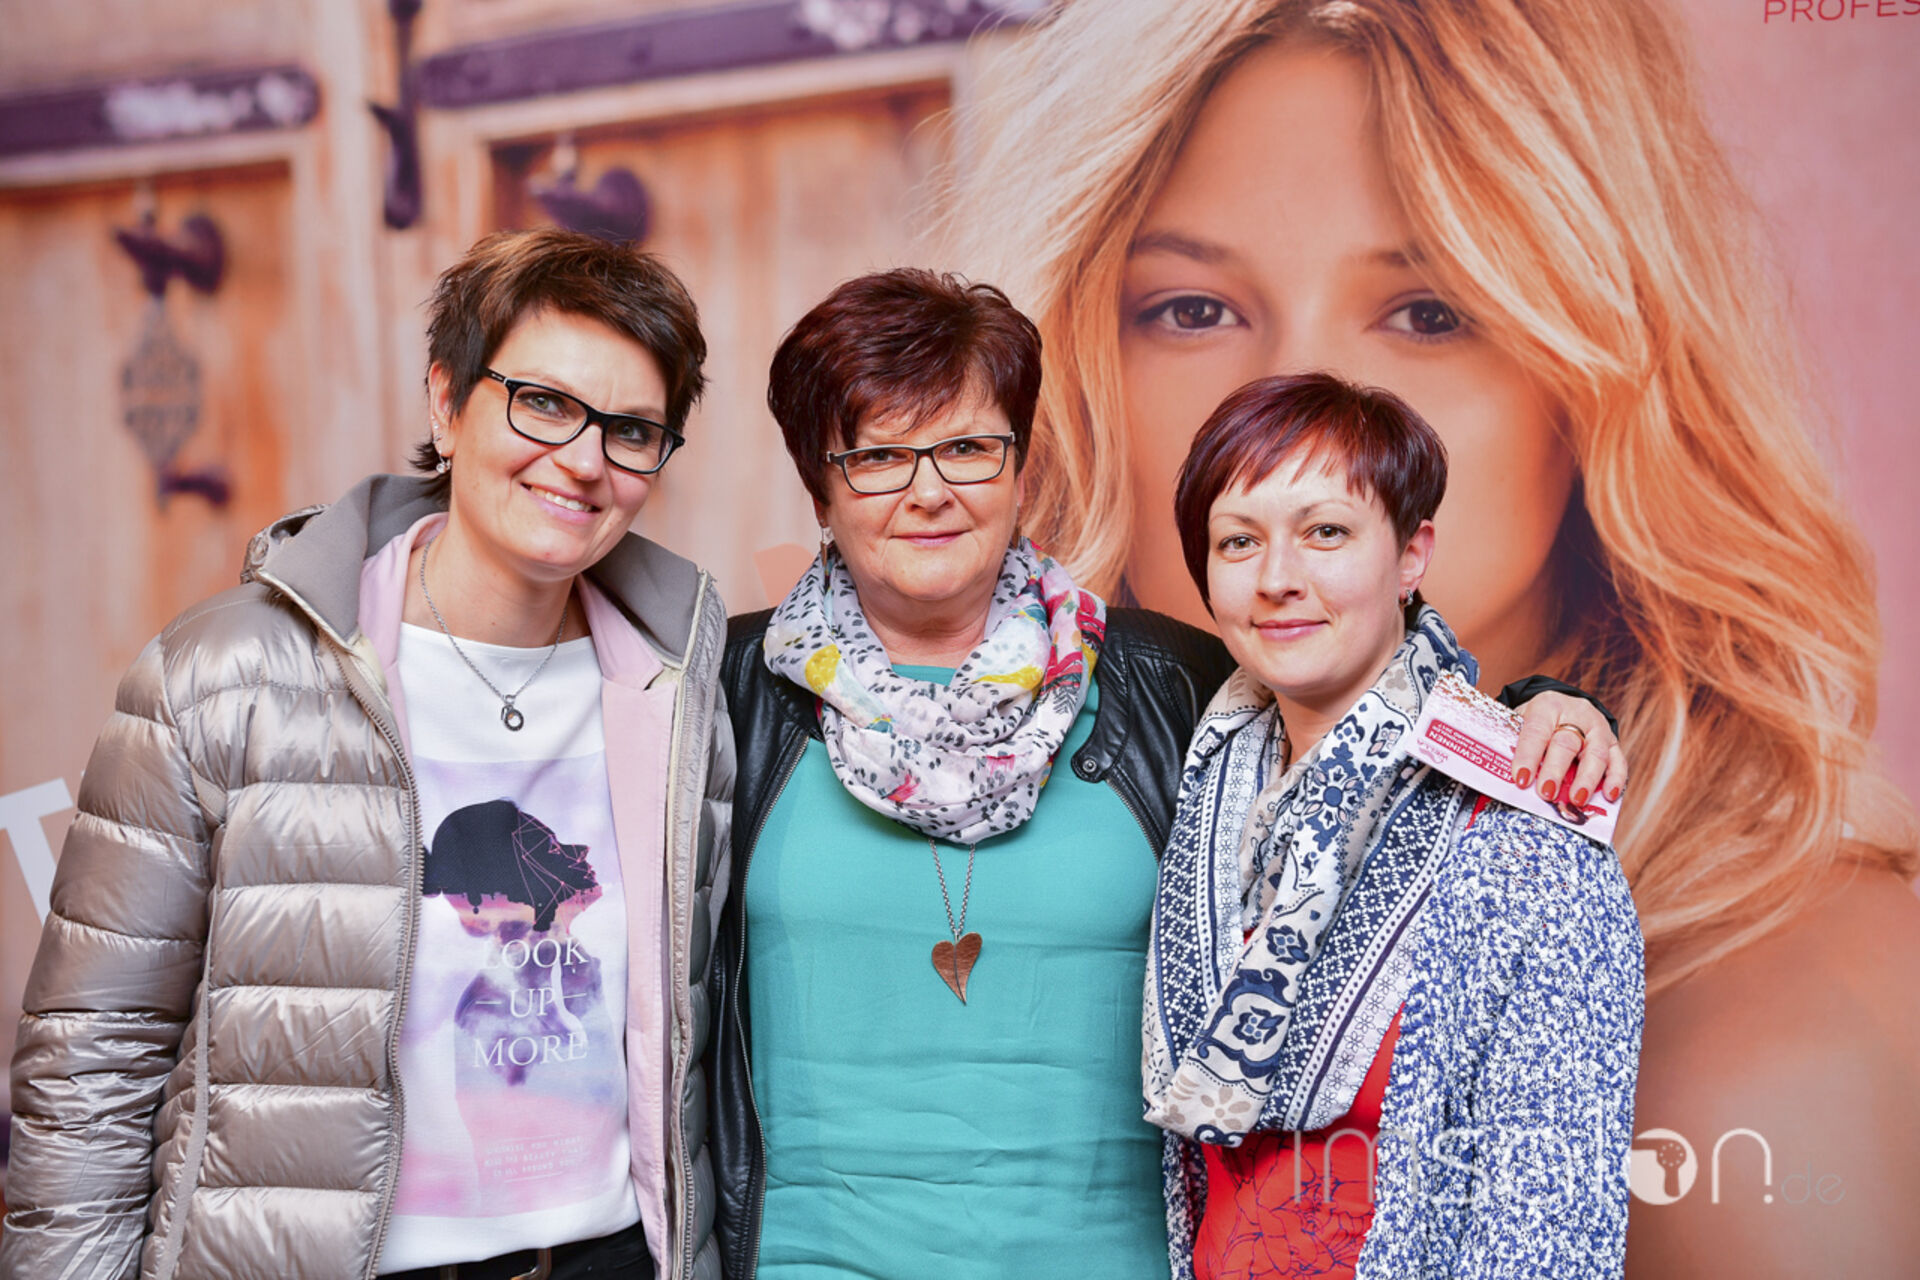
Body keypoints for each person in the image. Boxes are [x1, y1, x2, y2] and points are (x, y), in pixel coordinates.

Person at [947, 2, 1920, 1270]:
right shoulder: (1046, 891)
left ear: (1596, 379)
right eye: (1193, 309)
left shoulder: (1763, 1023)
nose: (1296, 434)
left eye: (1427, 312)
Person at [706, 268, 1620, 1279]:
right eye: (878, 455)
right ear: (822, 489)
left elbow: (1357, 701)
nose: (930, 490)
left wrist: (1547, 703)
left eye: (968, 447)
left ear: (1020, 468)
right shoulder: (722, 691)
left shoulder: (1170, 683)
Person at [0, 229, 732, 1280]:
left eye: (631, 430)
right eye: (543, 403)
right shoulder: (225, 675)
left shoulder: (678, 683)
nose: (583, 460)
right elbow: (92, 1059)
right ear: (447, 400)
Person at [1147, 372, 1641, 1279]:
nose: (1277, 580)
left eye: (1326, 532)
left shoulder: (1524, 835)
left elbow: (1550, 1229)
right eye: (1238, 541)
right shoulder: (1203, 784)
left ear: (1412, 554)